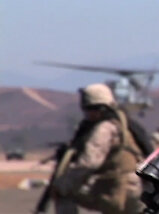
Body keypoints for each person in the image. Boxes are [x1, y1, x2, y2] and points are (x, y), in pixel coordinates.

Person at [52, 83, 145, 214]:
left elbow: (89, 162)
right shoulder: (123, 123)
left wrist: (63, 182)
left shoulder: (104, 128)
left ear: (95, 109)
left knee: (63, 191)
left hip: (117, 190)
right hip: (136, 188)